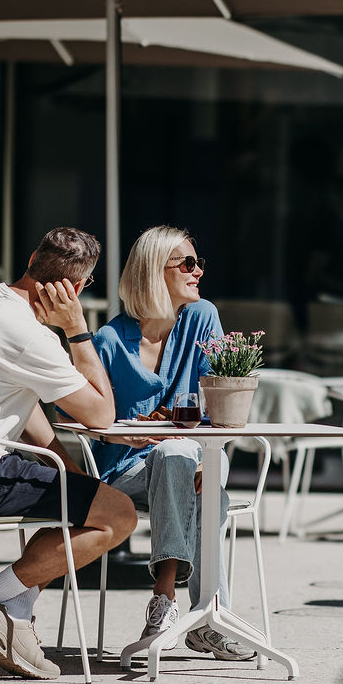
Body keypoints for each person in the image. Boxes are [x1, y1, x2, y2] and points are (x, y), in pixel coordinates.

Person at [0, 227, 136, 680]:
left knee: (85, 503)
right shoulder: (31, 337)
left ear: (34, 256)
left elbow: (21, 399)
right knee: (119, 516)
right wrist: (77, 329)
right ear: (75, 289)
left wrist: (69, 469)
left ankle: (12, 616)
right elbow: (101, 413)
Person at [90, 226, 253, 661]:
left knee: (191, 466)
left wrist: (206, 456)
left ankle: (174, 610)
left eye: (198, 262)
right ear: (152, 273)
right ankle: (205, 617)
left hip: (187, 460)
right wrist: (124, 429)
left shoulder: (202, 318)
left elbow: (220, 401)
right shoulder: (108, 341)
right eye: (187, 263)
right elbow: (75, 417)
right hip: (123, 472)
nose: (198, 271)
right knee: (179, 458)